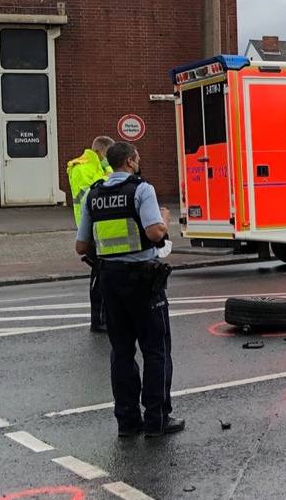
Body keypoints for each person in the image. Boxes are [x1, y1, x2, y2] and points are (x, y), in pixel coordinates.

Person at [75, 142, 184, 438]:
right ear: (131, 161)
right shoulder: (141, 189)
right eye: (138, 158)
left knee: (121, 352)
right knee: (156, 350)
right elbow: (154, 232)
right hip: (143, 281)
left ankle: (127, 422)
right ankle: (157, 420)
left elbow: (81, 246)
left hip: (109, 280)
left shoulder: (94, 195)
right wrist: (165, 219)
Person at [67, 136, 115, 332]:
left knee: (106, 275)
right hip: (90, 228)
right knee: (98, 276)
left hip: (105, 227)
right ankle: (98, 319)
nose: (109, 160)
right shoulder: (81, 167)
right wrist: (109, 180)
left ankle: (106, 316)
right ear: (99, 152)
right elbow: (87, 195)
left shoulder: (104, 168)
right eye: (108, 155)